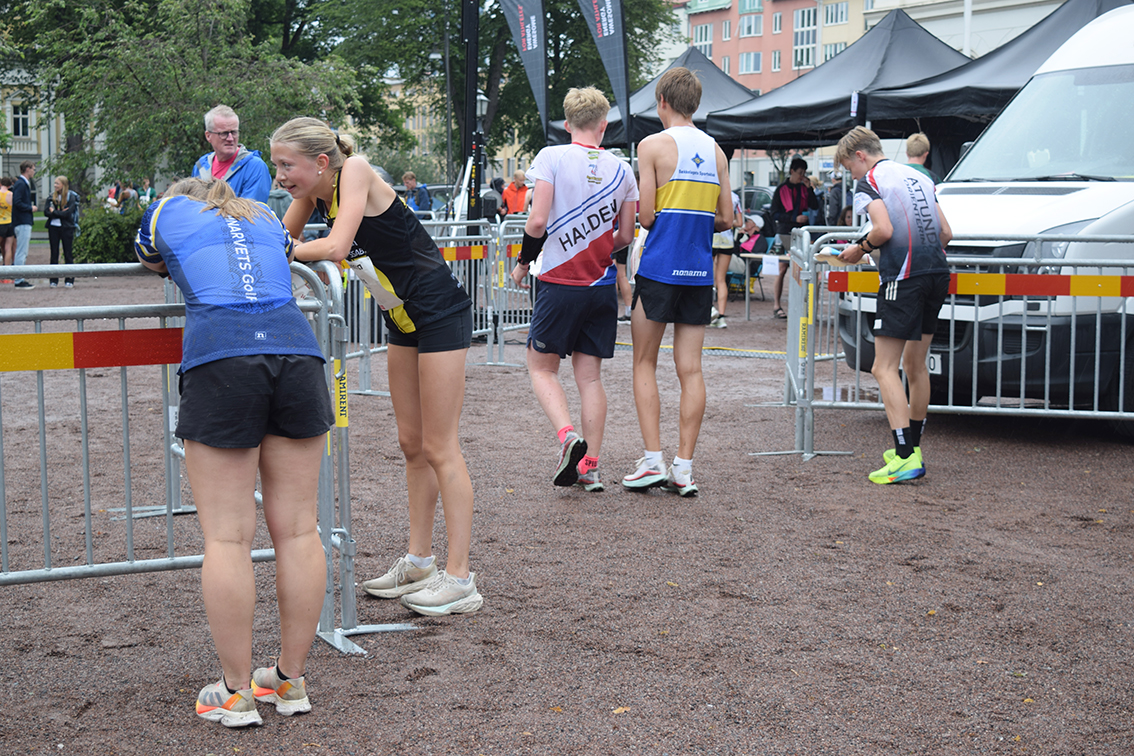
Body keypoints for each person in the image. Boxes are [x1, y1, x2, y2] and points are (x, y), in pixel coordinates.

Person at [134, 177, 333, 727]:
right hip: (297, 351)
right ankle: (289, 680)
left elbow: (152, 260)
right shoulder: (265, 216)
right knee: (300, 529)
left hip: (222, 355)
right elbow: (280, 257)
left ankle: (235, 691)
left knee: (227, 537)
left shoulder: (166, 209)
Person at [271, 117, 482, 616]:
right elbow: (277, 239)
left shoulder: (356, 170)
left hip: (439, 311)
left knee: (440, 446)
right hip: (401, 318)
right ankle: (420, 562)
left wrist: (284, 251)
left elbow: (336, 248)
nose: (280, 176)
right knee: (411, 443)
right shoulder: (312, 193)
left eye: (287, 165)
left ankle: (461, 579)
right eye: (277, 165)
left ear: (321, 161)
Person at [509, 86, 638, 492]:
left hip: (558, 282)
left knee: (541, 367)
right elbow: (626, 235)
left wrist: (523, 263)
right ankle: (591, 466)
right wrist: (596, 247)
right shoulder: (622, 169)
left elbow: (537, 222)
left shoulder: (552, 157)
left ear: (567, 124)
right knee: (591, 379)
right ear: (604, 125)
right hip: (600, 285)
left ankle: (567, 437)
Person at [622, 67, 733, 496]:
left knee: (643, 363)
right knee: (691, 370)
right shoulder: (716, 151)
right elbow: (726, 218)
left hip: (659, 267)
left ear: (662, 101)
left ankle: (653, 460)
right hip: (699, 270)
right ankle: (683, 467)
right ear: (696, 104)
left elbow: (646, 216)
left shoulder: (651, 145)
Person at [835, 126, 953, 485]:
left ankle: (904, 456)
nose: (851, 176)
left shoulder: (870, 180)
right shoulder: (919, 175)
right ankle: (912, 448)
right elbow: (946, 233)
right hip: (937, 272)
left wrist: (859, 249)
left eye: (849, 168)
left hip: (904, 277)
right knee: (916, 365)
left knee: (883, 367)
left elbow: (883, 230)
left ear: (860, 156)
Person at [191, 105, 272, 202]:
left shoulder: (254, 167)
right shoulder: (201, 167)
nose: (230, 138)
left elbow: (252, 209)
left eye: (234, 132)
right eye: (223, 133)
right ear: (208, 136)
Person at [769, 157, 817, 319]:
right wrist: (793, 218)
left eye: (804, 173)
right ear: (792, 171)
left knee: (803, 269)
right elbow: (774, 213)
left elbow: (815, 205)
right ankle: (777, 305)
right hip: (785, 232)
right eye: (799, 173)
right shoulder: (781, 189)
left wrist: (810, 189)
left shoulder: (804, 188)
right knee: (782, 268)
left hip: (802, 233)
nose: (802, 176)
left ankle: (801, 305)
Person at [710, 189, 743, 329]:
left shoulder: (712, 191)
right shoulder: (734, 197)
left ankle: (710, 309)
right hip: (727, 240)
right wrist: (728, 222)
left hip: (712, 238)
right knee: (721, 279)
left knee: (708, 276)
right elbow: (740, 223)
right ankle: (721, 316)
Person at [44, 176, 78, 288]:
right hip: (53, 228)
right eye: (54, 183)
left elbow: (68, 214)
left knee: (68, 253)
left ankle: (69, 279)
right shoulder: (51, 197)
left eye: (57, 183)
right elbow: (46, 212)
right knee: (54, 254)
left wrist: (54, 212)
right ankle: (53, 279)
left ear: (63, 185)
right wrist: (59, 213)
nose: (55, 185)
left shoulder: (70, 197)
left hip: (67, 228)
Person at [12, 160, 37, 290]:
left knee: (21, 251)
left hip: (22, 220)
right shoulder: (21, 184)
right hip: (22, 221)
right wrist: (30, 208)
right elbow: (17, 202)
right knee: (21, 251)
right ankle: (19, 279)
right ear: (27, 169)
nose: (34, 171)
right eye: (33, 169)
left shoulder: (22, 183)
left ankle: (19, 278)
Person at [0, 178, 14, 283]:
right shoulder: (11, 194)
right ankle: (6, 275)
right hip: (9, 222)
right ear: (9, 185)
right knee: (8, 247)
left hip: (0, 222)